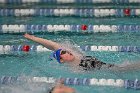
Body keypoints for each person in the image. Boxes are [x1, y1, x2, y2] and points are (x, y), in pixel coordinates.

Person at [24, 33, 115, 71]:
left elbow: (52, 45)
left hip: (109, 66)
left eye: (65, 51)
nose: (67, 52)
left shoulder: (76, 55)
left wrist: (32, 38)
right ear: (62, 60)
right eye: (63, 53)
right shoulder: (75, 70)